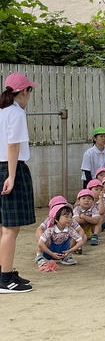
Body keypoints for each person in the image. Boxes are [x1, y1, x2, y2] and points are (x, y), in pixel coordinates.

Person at [0, 73, 37, 293]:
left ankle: (4, 271)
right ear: (24, 91)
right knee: (10, 229)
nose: (29, 96)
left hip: (1, 168)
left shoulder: (1, 111)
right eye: (29, 91)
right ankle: (5, 279)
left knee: (2, 227)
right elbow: (13, 145)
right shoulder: (16, 113)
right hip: (10, 168)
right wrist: (12, 176)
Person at [35, 195, 86, 266]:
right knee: (44, 238)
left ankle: (67, 256)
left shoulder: (70, 224)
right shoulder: (50, 225)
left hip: (64, 248)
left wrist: (72, 249)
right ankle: (39, 257)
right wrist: (44, 244)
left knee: (82, 236)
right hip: (50, 247)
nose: (69, 219)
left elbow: (80, 233)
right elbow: (39, 230)